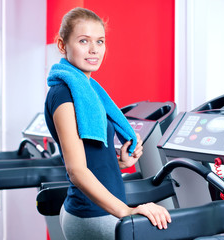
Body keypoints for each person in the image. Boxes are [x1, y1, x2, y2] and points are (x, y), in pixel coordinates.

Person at [44, 7, 171, 240]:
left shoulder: (87, 90)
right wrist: (127, 211)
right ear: (63, 46)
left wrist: (119, 163)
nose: (94, 49)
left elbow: (89, 159)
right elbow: (76, 170)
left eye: (100, 41)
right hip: (93, 215)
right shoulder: (64, 95)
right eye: (84, 41)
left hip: (98, 211)